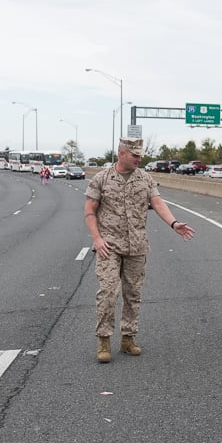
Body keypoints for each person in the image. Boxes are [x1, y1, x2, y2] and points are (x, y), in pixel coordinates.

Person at [84, 138, 195, 362]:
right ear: (121, 153)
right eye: (134, 155)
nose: (139, 158)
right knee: (107, 292)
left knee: (133, 294)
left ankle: (128, 338)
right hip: (109, 246)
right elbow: (89, 210)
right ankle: (104, 340)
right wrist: (96, 239)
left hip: (137, 245)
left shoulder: (145, 179)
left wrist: (174, 224)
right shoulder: (102, 178)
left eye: (140, 155)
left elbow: (158, 203)